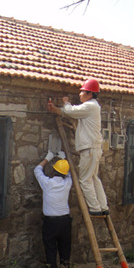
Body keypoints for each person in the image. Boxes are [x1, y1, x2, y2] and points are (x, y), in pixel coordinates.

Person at [47, 78, 109, 216]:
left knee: (85, 180)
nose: (80, 94)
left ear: (90, 94)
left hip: (89, 149)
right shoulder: (93, 107)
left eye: (82, 92)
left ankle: (95, 209)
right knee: (94, 178)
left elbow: (70, 111)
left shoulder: (90, 106)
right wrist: (56, 110)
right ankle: (103, 206)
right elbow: (69, 113)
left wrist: (66, 102)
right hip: (94, 148)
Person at [34, 149, 72, 268]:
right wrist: (64, 159)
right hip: (65, 221)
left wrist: (48, 158)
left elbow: (37, 170)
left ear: (53, 171)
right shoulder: (67, 183)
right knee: (65, 247)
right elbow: (69, 174)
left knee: (50, 248)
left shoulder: (47, 183)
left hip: (51, 223)